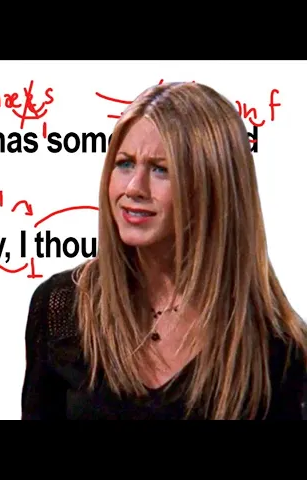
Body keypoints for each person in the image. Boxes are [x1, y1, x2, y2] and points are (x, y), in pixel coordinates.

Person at [21, 81, 307, 420]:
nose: (134, 188)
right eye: (125, 163)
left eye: (161, 170)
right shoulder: (62, 308)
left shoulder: (279, 350)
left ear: (212, 186)